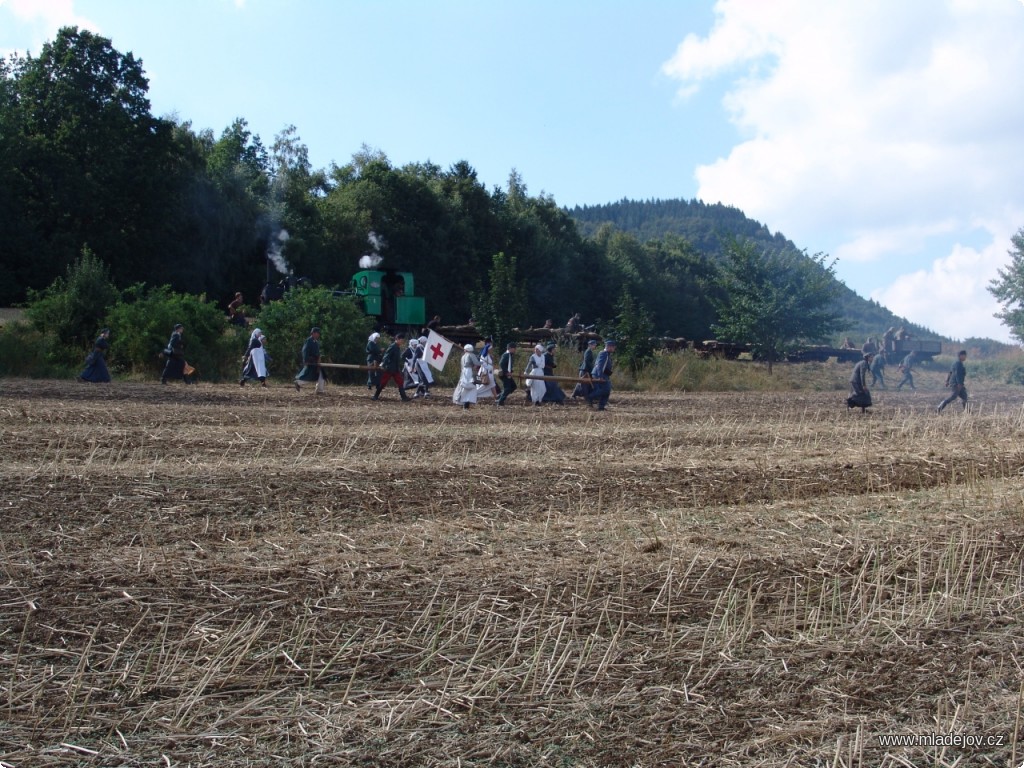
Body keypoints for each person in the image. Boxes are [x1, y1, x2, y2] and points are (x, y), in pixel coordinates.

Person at [373, 332, 411, 401]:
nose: (402, 342)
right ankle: (375, 396)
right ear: (397, 339)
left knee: (400, 382)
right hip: (389, 368)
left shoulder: (397, 347)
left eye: (403, 340)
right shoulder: (392, 346)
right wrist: (383, 365)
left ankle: (404, 398)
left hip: (395, 369)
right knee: (383, 382)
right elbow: (386, 357)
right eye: (401, 340)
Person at [587, 339, 617, 411]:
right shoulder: (604, 353)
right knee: (604, 390)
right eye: (613, 347)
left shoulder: (606, 354)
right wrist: (600, 377)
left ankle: (601, 407)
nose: (614, 349)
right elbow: (600, 366)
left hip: (603, 374)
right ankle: (589, 398)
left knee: (606, 390)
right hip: (599, 374)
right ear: (609, 347)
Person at [294, 327, 322, 392]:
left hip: (315, 361)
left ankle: (319, 390)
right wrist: (306, 360)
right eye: (317, 333)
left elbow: (317, 353)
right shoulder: (309, 341)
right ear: (313, 333)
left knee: (319, 375)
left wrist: (319, 359)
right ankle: (298, 382)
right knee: (309, 376)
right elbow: (305, 351)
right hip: (310, 361)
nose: (318, 335)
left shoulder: (315, 342)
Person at [452, 343, 479, 409]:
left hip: (463, 372)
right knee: (470, 387)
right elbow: (476, 363)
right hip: (469, 372)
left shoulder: (463, 356)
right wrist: (482, 362)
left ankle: (463, 403)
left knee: (464, 387)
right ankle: (466, 404)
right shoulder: (471, 355)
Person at [496, 341, 518, 405]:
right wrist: (507, 372)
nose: (515, 350)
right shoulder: (506, 355)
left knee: (513, 386)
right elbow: (501, 364)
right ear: (510, 348)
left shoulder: (509, 355)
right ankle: (500, 401)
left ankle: (500, 396)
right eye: (514, 348)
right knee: (507, 388)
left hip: (507, 374)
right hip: (504, 374)